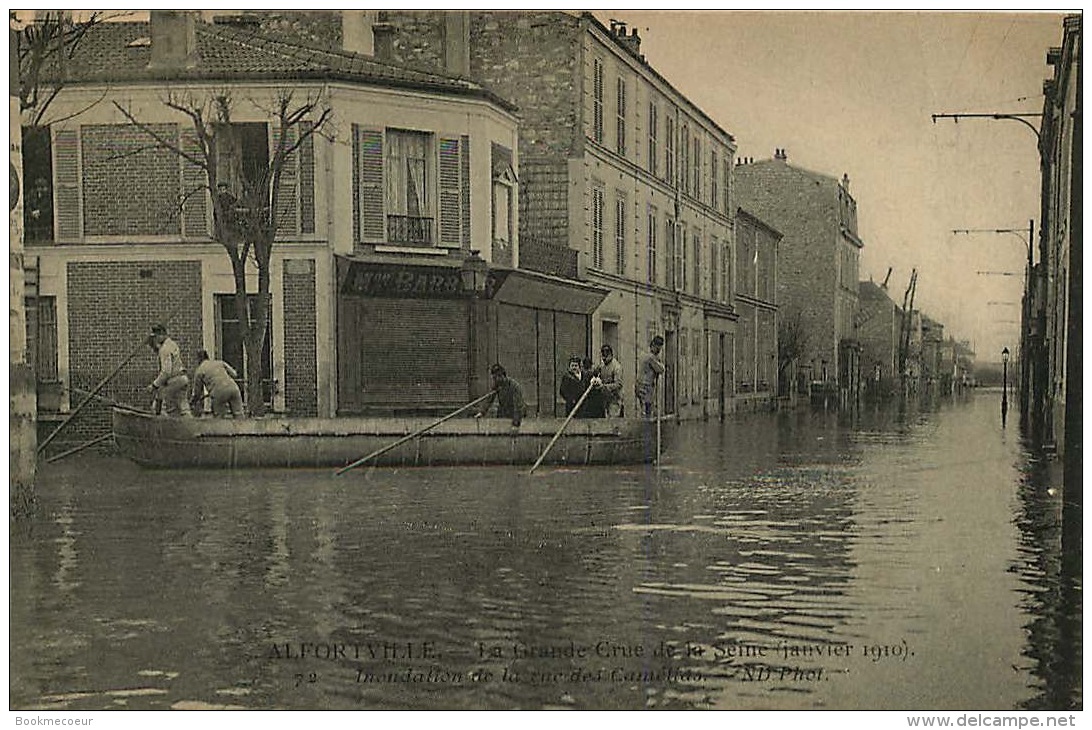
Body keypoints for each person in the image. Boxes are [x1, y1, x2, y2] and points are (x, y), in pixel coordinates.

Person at [147, 323, 191, 416]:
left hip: (174, 380)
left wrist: (154, 385)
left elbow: (166, 372)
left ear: (163, 334)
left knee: (160, 404)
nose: (156, 339)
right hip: (182, 378)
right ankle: (190, 426)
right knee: (184, 407)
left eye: (157, 336)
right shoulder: (172, 344)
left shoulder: (164, 349)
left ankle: (161, 427)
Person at [190, 349, 245, 418]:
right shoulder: (219, 362)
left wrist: (192, 402)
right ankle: (243, 427)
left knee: (219, 419)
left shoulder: (199, 371)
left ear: (198, 360)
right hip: (233, 388)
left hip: (218, 392)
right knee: (239, 416)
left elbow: (197, 392)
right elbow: (234, 374)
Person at [636, 335, 666, 418]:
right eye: (658, 348)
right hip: (646, 386)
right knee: (647, 410)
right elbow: (661, 369)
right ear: (653, 345)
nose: (659, 351)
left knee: (643, 408)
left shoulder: (644, 354)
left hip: (640, 384)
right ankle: (646, 428)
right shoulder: (650, 357)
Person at [596, 344, 624, 417]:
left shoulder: (617, 367)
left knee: (613, 420)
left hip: (614, 399)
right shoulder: (602, 366)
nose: (604, 359)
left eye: (606, 356)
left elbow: (618, 384)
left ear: (611, 355)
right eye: (603, 357)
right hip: (605, 399)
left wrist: (604, 386)